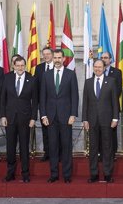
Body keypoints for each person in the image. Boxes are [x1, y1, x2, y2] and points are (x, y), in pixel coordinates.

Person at [39, 48, 79, 183]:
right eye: (54, 58)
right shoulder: (46, 75)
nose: (56, 60)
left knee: (66, 147)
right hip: (50, 117)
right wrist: (43, 115)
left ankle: (67, 175)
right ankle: (54, 174)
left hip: (66, 117)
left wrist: (73, 114)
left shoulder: (70, 74)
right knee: (53, 146)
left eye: (58, 58)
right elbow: (42, 96)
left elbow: (75, 96)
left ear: (63, 59)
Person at [1, 55, 38, 183]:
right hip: (10, 118)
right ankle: (10, 173)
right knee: (10, 147)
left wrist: (34, 118)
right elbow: (2, 99)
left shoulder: (31, 79)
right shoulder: (7, 78)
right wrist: (3, 116)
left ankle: (25, 173)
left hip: (25, 119)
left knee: (24, 147)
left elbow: (35, 101)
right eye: (18, 65)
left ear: (25, 66)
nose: (20, 67)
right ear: (14, 66)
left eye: (23, 65)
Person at [82, 58, 119, 183]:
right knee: (92, 148)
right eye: (95, 67)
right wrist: (85, 119)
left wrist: (115, 118)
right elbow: (85, 102)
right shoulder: (88, 82)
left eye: (100, 67)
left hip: (107, 120)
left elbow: (115, 102)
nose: (97, 69)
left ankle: (107, 173)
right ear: (93, 68)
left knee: (107, 148)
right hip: (92, 121)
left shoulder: (111, 82)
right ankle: (94, 174)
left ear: (104, 68)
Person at [100, 51, 122, 157]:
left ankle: (112, 154)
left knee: (112, 131)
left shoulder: (117, 72)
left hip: (112, 107)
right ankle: (102, 153)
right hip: (99, 109)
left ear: (110, 59)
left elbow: (118, 90)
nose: (104, 59)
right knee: (100, 131)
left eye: (106, 57)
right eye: (102, 57)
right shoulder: (97, 71)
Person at [34, 46, 54, 160]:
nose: (46, 56)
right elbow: (36, 87)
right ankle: (47, 152)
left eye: (48, 54)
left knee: (56, 131)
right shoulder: (39, 68)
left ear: (52, 55)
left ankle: (57, 153)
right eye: (44, 54)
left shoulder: (58, 68)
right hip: (43, 105)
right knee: (45, 129)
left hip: (56, 105)